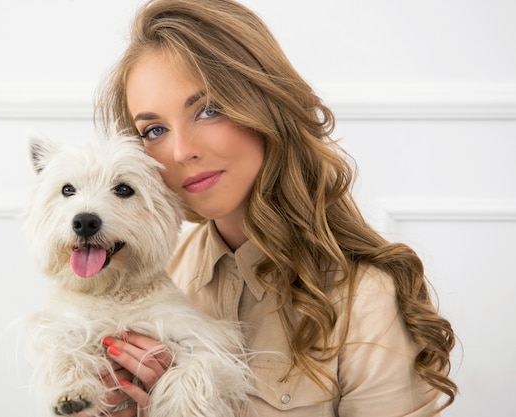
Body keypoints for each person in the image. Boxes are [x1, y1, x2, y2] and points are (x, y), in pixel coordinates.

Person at [91, 0, 458, 415]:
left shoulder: (364, 299)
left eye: (208, 110)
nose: (180, 151)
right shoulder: (158, 273)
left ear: (265, 104)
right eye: (154, 130)